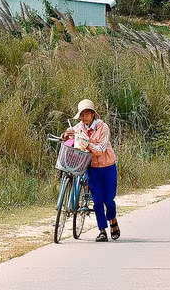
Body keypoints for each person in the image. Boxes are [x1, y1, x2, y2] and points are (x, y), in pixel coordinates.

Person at [63, 99, 119, 242]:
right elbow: (72, 133)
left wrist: (86, 144)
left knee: (109, 200)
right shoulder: (80, 127)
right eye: (82, 115)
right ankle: (102, 231)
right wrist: (66, 136)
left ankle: (112, 219)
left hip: (107, 167)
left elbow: (100, 149)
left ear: (93, 114)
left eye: (87, 114)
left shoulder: (103, 128)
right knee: (97, 200)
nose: (84, 118)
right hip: (92, 168)